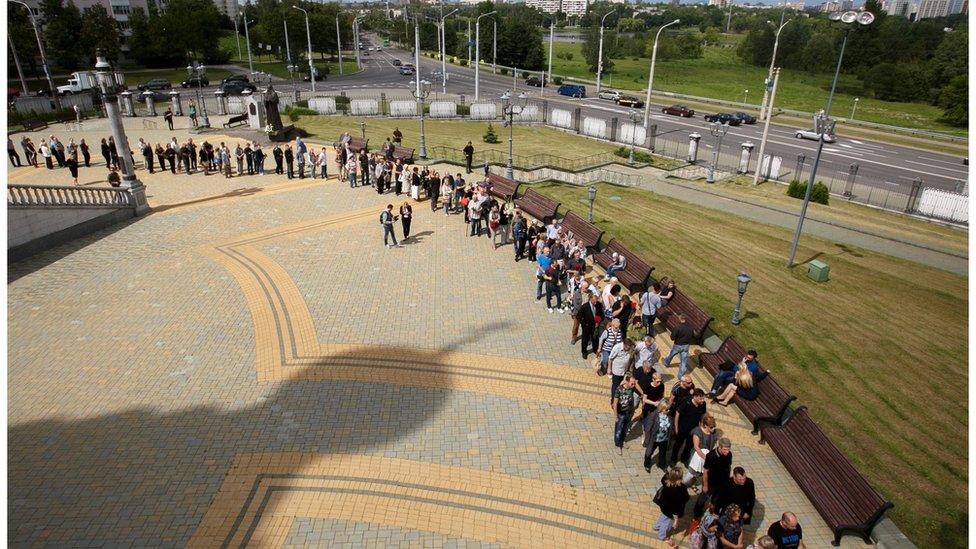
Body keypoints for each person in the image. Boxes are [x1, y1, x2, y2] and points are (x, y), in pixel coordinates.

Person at [654, 467, 690, 545]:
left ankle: (657, 526)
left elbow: (665, 477)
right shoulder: (681, 488)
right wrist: (676, 520)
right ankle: (662, 536)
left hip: (664, 506)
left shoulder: (665, 480)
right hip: (672, 511)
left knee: (663, 517)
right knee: (667, 524)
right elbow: (679, 504)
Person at [671, 389, 707, 466]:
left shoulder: (703, 405)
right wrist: (676, 427)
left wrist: (701, 428)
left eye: (703, 398)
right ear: (695, 397)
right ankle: (673, 459)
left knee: (689, 445)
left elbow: (703, 416)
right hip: (682, 429)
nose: (703, 400)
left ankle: (684, 458)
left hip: (693, 430)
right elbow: (678, 413)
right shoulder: (686, 403)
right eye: (701, 399)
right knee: (678, 444)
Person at [611, 373, 638, 454]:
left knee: (625, 428)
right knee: (618, 429)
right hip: (620, 413)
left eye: (634, 383)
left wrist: (632, 410)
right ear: (627, 381)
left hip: (628, 412)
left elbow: (632, 399)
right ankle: (618, 444)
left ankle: (622, 441)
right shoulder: (619, 390)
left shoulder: (631, 389)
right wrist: (615, 416)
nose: (634, 385)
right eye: (632, 383)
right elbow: (615, 403)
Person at [662, 314, 695, 379]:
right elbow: (693, 336)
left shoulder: (677, 328)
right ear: (685, 319)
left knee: (671, 354)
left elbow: (672, 338)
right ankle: (680, 376)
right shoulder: (691, 328)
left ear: (680, 319)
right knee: (683, 362)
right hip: (686, 346)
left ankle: (666, 363)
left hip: (677, 345)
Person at [702, 437, 733, 505]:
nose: (727, 452)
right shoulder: (711, 456)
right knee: (703, 499)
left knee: (716, 499)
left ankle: (713, 508)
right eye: (725, 449)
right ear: (719, 447)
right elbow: (705, 471)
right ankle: (697, 513)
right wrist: (705, 485)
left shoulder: (729, 454)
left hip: (723, 482)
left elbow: (728, 467)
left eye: (728, 449)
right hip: (711, 482)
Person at [643, 400, 671, 471]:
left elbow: (670, 427)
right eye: (666, 409)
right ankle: (647, 464)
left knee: (662, 453)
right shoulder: (654, 416)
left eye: (669, 409)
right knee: (649, 452)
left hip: (664, 439)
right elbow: (648, 429)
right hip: (654, 439)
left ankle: (662, 465)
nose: (668, 410)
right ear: (661, 409)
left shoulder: (668, 416)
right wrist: (646, 440)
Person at [607, 337, 634, 401]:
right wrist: (609, 368)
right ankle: (613, 400)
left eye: (629, 348)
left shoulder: (630, 348)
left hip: (624, 371)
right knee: (615, 386)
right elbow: (610, 358)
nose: (628, 349)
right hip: (616, 371)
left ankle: (619, 397)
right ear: (624, 344)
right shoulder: (617, 348)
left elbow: (631, 358)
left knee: (621, 385)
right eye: (627, 348)